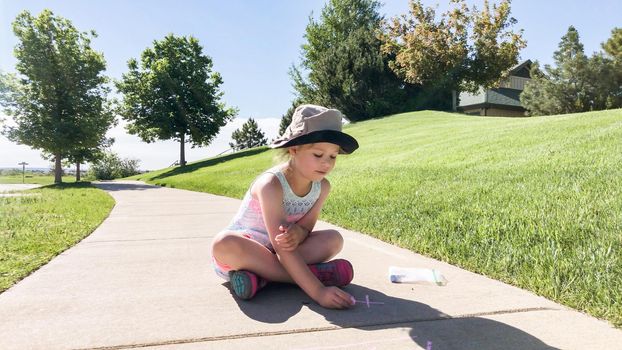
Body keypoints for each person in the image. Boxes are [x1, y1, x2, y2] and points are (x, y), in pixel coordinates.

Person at [211, 104, 359, 309]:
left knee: (334, 239)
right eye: (318, 155)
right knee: (223, 243)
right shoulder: (271, 185)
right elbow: (281, 246)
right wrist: (318, 290)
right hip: (249, 252)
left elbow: (306, 228)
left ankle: (261, 279)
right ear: (293, 149)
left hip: (285, 253)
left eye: (332, 156)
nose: (326, 163)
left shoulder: (322, 187)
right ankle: (313, 276)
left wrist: (299, 233)